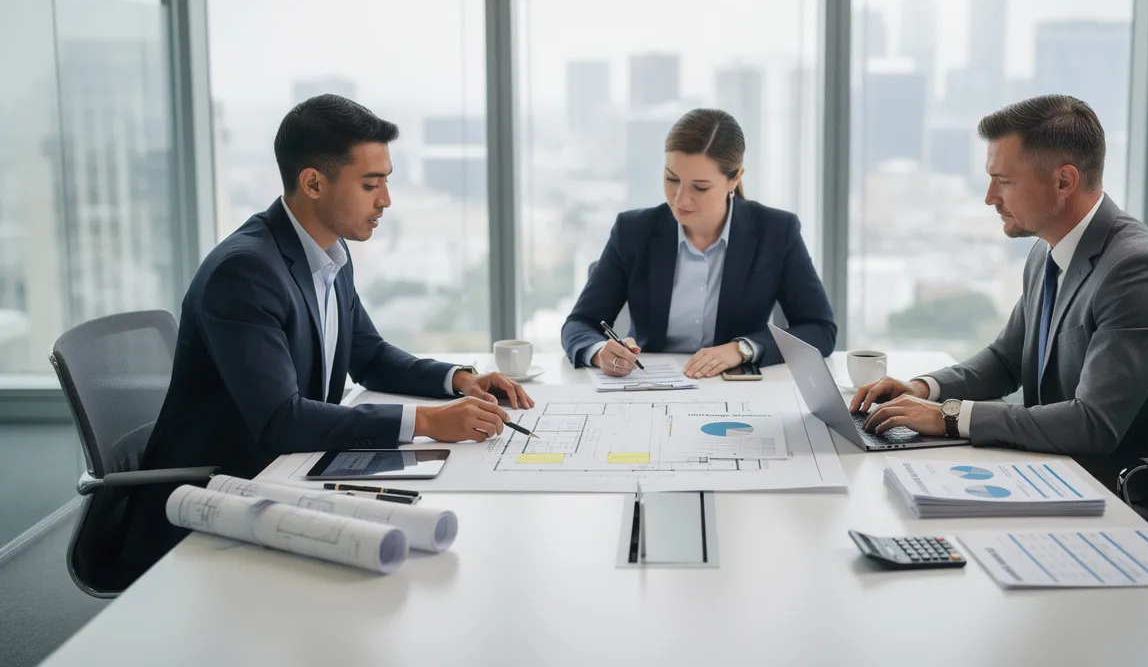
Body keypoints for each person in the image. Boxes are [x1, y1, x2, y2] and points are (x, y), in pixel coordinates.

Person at [119, 94, 533, 577]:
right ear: (313, 182)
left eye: (386, 182)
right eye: (370, 184)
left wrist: (460, 380)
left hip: (284, 481)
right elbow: (281, 421)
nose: (385, 200)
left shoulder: (329, 252)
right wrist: (427, 421)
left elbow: (369, 354)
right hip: (213, 503)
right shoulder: (246, 272)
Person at [850, 95, 1148, 574]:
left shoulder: (1140, 269)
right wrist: (925, 389)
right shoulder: (1048, 251)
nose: (990, 198)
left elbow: (1094, 424)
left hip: (1144, 505)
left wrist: (949, 416)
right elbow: (1006, 359)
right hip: (1067, 477)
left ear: (1064, 180)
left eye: (1004, 182)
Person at [562, 108, 836, 379]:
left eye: (700, 187)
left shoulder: (776, 231)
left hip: (737, 389)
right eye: (671, 179)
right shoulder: (633, 230)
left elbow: (819, 329)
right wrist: (599, 352)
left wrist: (742, 349)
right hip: (650, 385)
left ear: (735, 179)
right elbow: (580, 323)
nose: (680, 199)